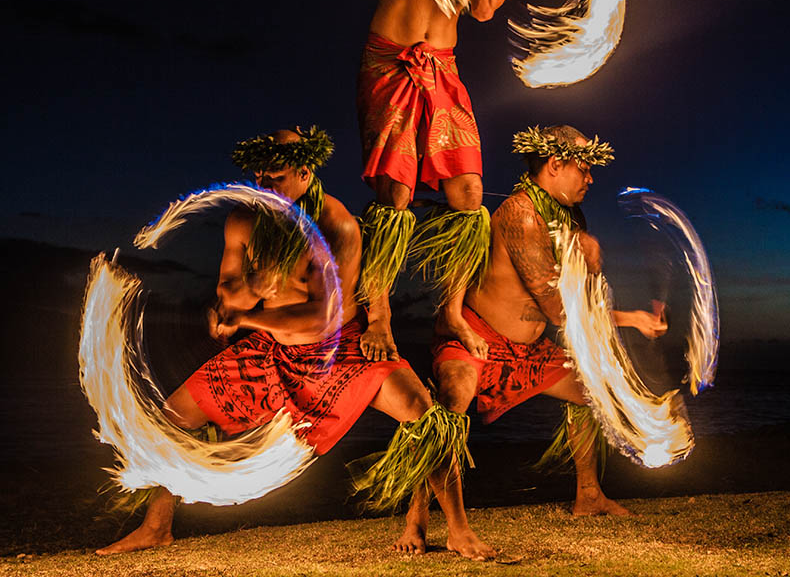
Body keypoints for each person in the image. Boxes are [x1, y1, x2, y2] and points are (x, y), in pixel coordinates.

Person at [97, 127, 493, 560]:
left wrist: (246, 314)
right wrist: (252, 288)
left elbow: (320, 319)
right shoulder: (244, 220)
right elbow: (228, 291)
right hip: (271, 351)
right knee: (172, 417)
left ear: (305, 173)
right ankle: (156, 527)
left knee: (427, 417)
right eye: (260, 178)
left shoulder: (336, 225)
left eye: (277, 178)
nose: (265, 188)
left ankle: (457, 530)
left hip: (342, 351)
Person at [393, 125, 667, 555]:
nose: (591, 178)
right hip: (476, 340)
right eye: (585, 168)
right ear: (555, 166)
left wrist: (590, 261)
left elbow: (575, 294)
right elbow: (558, 308)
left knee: (588, 393)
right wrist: (629, 318)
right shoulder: (523, 215)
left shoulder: (566, 218)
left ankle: (589, 495)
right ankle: (427, 519)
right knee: (449, 412)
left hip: (528, 351)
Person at [357, 0, 536, 364]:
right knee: (397, 194)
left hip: (444, 70)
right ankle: (379, 312)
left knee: (469, 195)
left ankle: (451, 310)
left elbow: (482, 8)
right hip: (392, 67)